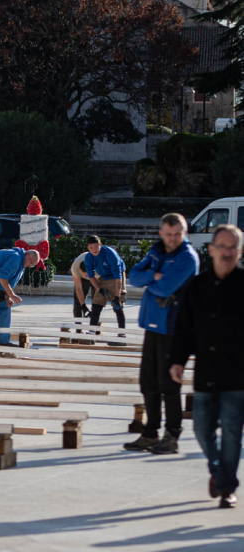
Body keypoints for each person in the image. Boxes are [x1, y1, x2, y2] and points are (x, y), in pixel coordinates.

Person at [171, 225, 244, 508]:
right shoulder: (197, 286)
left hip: (238, 375)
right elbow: (184, 329)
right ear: (211, 250)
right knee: (202, 429)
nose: (227, 252)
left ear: (239, 252)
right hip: (206, 373)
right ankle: (218, 471)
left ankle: (226, 488)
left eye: (233, 247)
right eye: (222, 247)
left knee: (232, 433)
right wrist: (178, 360)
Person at [126, 212, 201, 454]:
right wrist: (153, 276)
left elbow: (165, 287)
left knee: (169, 385)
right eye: (168, 234)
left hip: (173, 328)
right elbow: (134, 276)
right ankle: (150, 433)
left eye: (177, 234)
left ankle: (172, 436)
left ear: (184, 233)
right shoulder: (157, 252)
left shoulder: (187, 258)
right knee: (148, 383)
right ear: (161, 233)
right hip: (152, 325)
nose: (172, 238)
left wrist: (152, 279)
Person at [83, 235, 127, 333]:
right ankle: (92, 331)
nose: (94, 250)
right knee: (96, 305)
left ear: (100, 245)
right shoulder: (88, 258)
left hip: (116, 277)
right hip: (103, 277)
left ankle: (122, 333)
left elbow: (118, 277)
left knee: (118, 306)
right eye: (91, 247)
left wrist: (117, 296)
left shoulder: (110, 254)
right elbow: (91, 277)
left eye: (96, 246)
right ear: (87, 248)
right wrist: (98, 289)